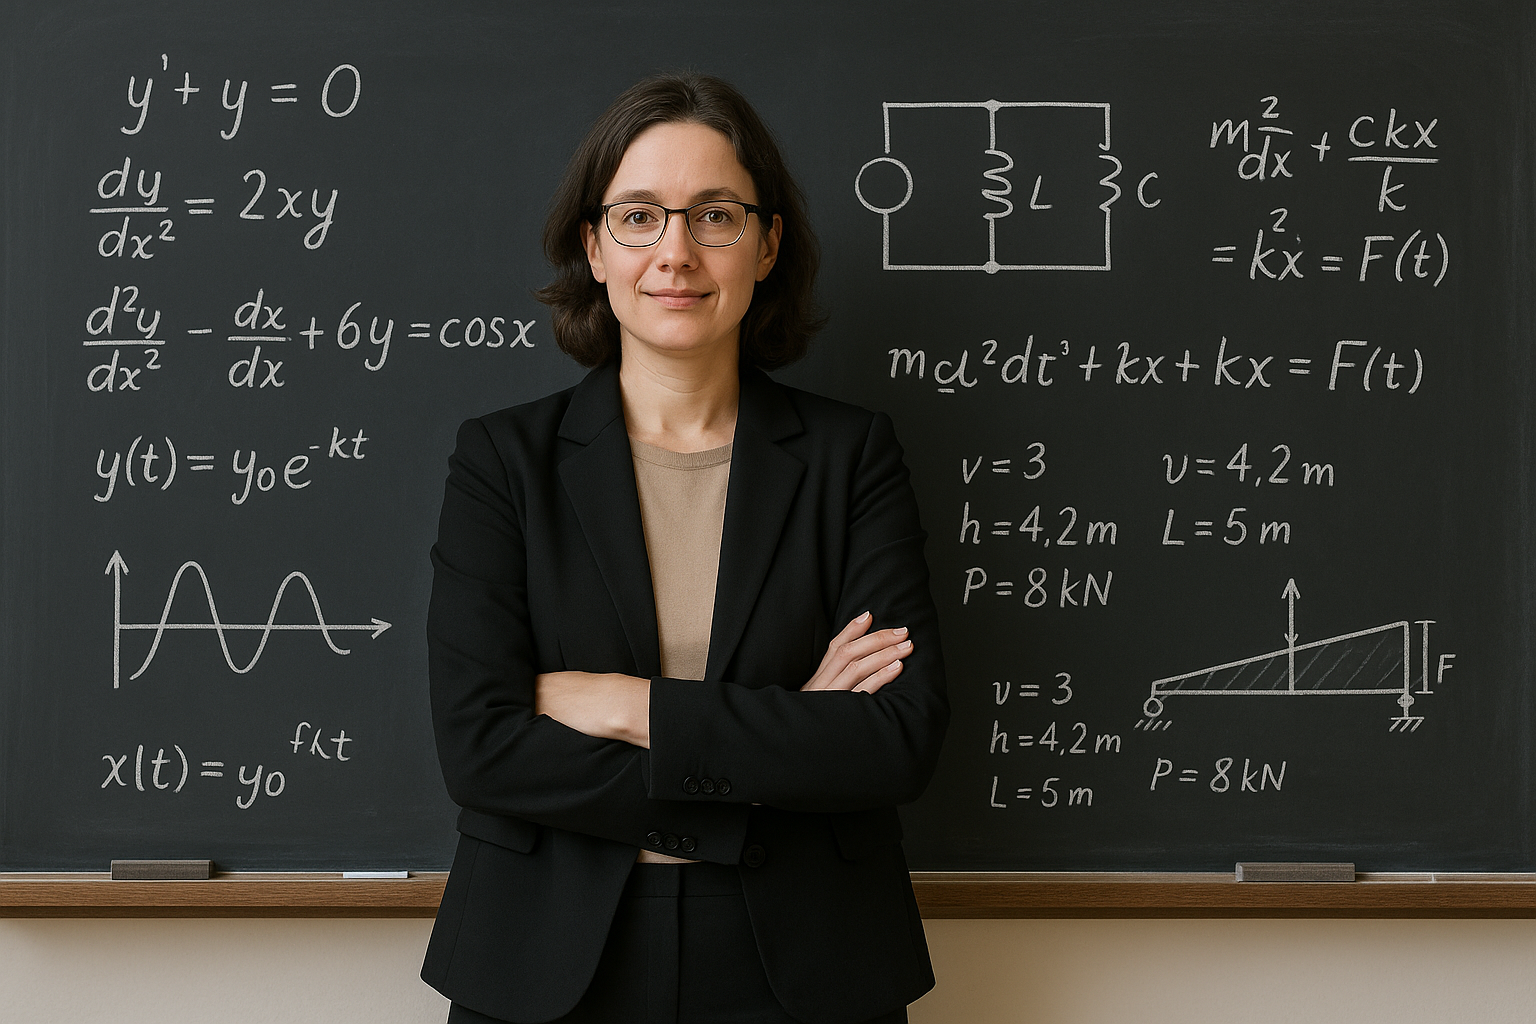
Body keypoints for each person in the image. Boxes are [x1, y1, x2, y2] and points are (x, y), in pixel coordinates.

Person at [421, 72, 949, 1024]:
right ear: (593, 247)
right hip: (543, 956)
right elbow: (483, 749)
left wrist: (625, 704)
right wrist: (784, 737)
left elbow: (893, 741)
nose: (676, 253)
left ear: (768, 243)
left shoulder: (851, 456)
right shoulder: (502, 461)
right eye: (638, 217)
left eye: (715, 216)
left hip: (812, 957)